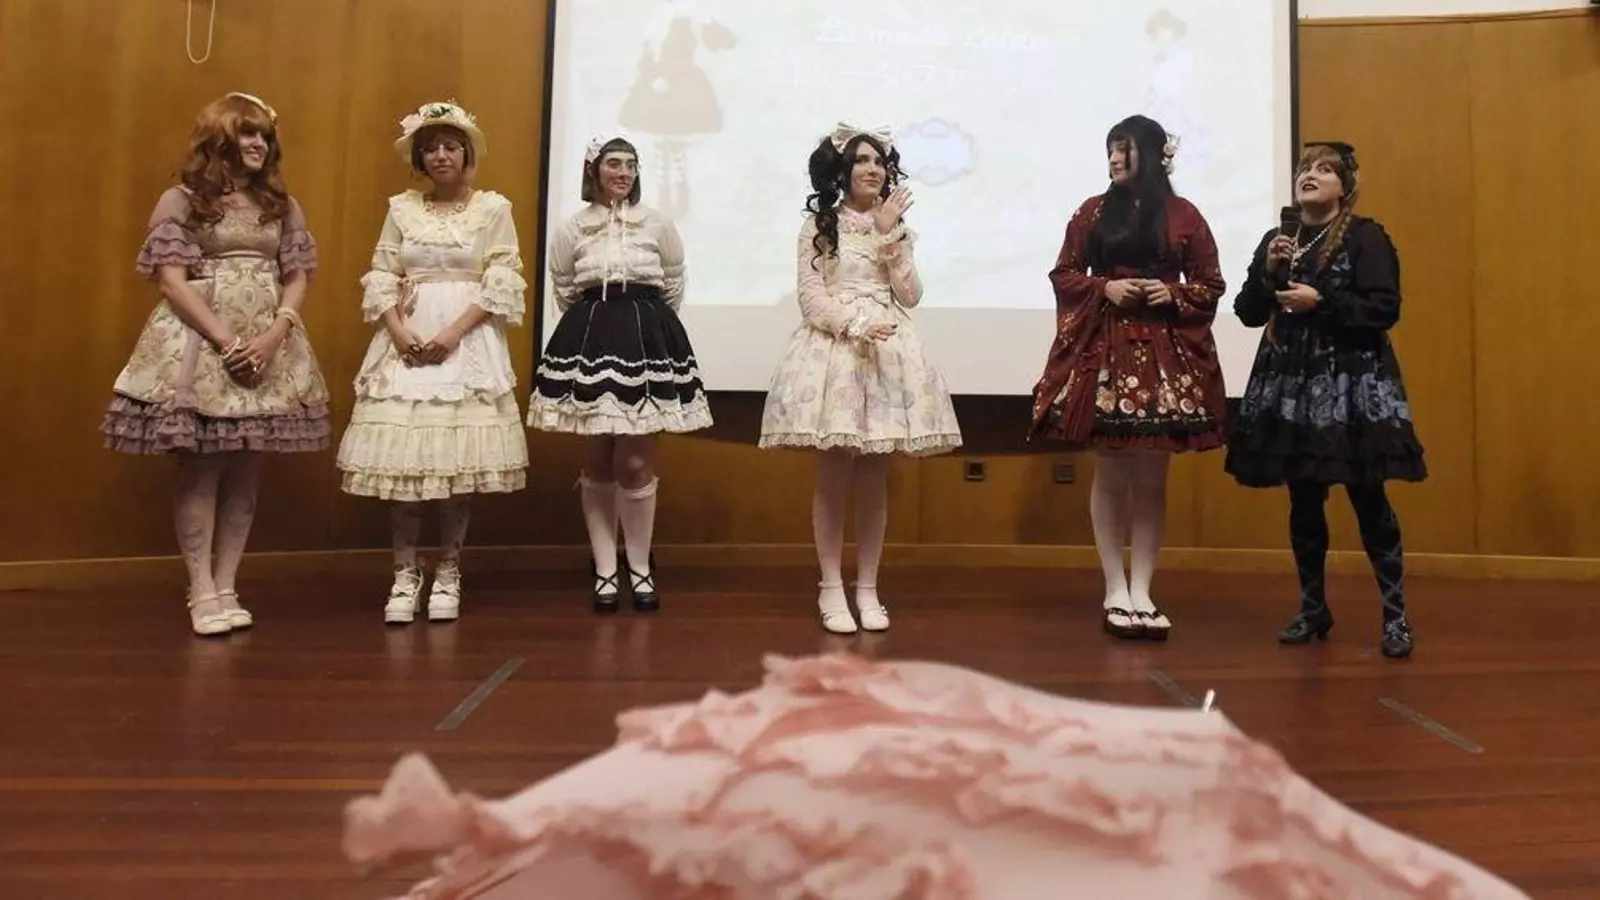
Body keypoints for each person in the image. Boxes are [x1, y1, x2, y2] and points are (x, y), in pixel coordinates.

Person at [101, 92, 331, 636]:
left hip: (268, 343)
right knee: (201, 470)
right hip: (200, 345)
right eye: (248, 133)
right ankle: (200, 589)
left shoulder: (282, 205)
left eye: (265, 136)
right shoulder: (181, 200)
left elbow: (296, 276)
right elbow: (171, 281)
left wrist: (276, 333)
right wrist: (227, 342)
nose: (259, 145)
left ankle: (227, 585)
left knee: (246, 470)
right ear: (220, 138)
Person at [758, 122, 963, 635]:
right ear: (843, 171)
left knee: (875, 477)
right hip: (837, 349)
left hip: (887, 352)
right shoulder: (820, 225)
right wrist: (854, 324)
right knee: (833, 475)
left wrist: (889, 236)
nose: (873, 169)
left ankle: (868, 587)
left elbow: (910, 295)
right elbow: (811, 298)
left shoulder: (896, 226)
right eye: (862, 161)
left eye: (879, 161)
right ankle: (830, 586)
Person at [1028, 114, 1227, 642]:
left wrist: (1173, 293)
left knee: (1153, 478)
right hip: (1108, 349)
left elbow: (1211, 283)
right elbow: (1063, 273)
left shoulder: (1185, 214)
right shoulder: (1092, 211)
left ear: (1153, 154)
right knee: (1112, 472)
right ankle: (1114, 587)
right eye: (1111, 150)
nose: (1115, 159)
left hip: (1164, 353)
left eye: (1125, 149)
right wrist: (1104, 289)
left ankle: (1143, 589)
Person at [1224, 141, 1425, 660]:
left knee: (1368, 496)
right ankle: (1313, 608)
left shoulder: (1365, 237)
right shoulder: (1279, 238)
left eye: (1323, 170)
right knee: (1304, 498)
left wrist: (1322, 301)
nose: (1309, 175)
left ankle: (1395, 616)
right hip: (1292, 383)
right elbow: (1248, 311)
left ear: (1345, 186)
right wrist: (1269, 275)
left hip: (1350, 383)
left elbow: (1383, 308)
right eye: (1304, 169)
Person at [335, 101, 530, 625]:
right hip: (407, 338)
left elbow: (502, 278)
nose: (441, 156)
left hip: (465, 340)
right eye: (431, 149)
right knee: (404, 464)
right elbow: (382, 272)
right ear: (420, 158)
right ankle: (404, 573)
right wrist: (398, 332)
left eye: (450, 147)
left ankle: (448, 569)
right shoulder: (402, 208)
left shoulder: (493, 209)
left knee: (455, 464)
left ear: (467, 154)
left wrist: (453, 333)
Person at [527, 133, 712, 615]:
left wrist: (644, 322)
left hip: (646, 337)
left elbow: (673, 282)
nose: (623, 172)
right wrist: (600, 321)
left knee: (633, 462)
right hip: (591, 336)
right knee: (598, 458)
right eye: (614, 163)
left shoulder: (657, 223)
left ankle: (640, 565)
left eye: (630, 164)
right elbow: (565, 289)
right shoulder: (573, 227)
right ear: (595, 170)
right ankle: (605, 568)